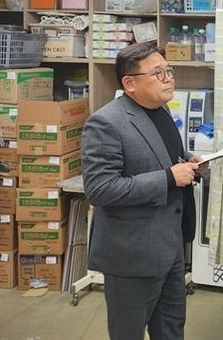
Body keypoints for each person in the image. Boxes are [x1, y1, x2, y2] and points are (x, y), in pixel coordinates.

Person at [82, 41, 207, 340]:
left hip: (170, 244)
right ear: (130, 83)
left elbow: (162, 156)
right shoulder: (106, 123)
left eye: (169, 70)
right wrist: (168, 178)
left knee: (171, 329)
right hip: (132, 254)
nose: (168, 78)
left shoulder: (160, 111)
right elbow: (100, 189)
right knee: (128, 332)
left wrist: (189, 162)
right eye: (158, 73)